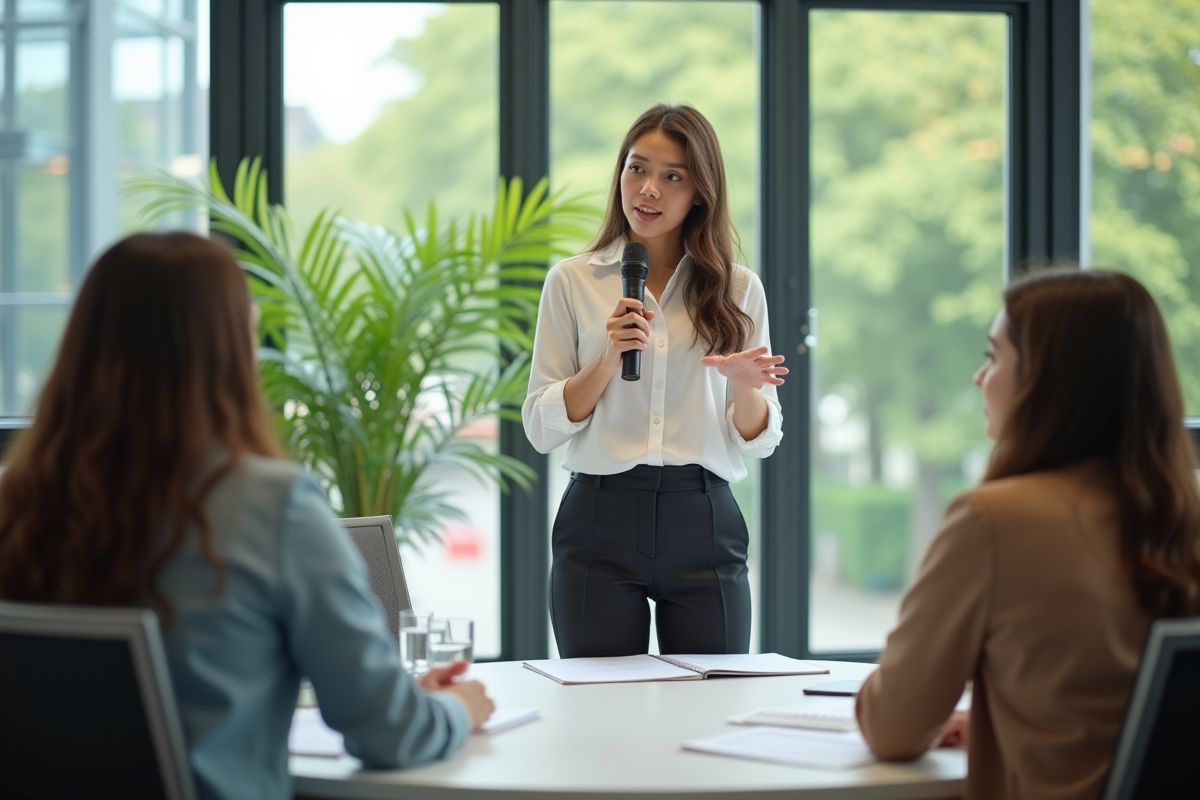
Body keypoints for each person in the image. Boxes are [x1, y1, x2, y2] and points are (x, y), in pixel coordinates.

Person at [0, 232, 494, 800]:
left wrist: (403, 701)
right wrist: (456, 709)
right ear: (229, 350)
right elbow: (386, 732)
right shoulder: (273, 506)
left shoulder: (19, 502)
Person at [855, 268, 1200, 800]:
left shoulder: (992, 519)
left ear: (1047, 379)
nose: (979, 378)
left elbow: (892, 727)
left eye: (993, 357)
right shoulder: (1182, 513)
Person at [523, 104, 787, 658]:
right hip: (599, 518)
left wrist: (745, 385)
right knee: (599, 698)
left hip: (704, 519)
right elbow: (541, 428)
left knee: (713, 695)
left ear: (701, 193)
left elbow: (758, 440)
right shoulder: (571, 281)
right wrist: (605, 359)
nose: (648, 189)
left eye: (673, 177)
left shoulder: (739, 289)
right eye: (637, 168)